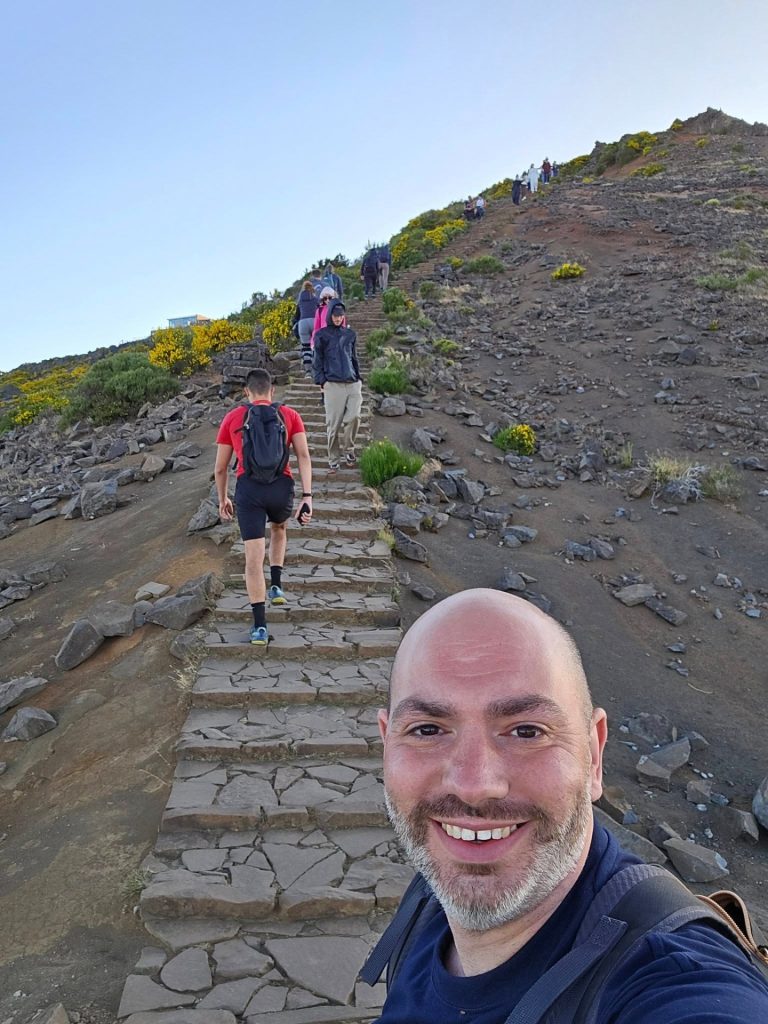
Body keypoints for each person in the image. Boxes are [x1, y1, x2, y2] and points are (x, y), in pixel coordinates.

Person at [370, 589, 768, 1022]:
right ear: (387, 742)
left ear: (594, 756)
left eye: (526, 731)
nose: (473, 786)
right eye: (427, 729)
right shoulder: (431, 893)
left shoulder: (674, 980)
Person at [214, 368, 312, 646]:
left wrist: (223, 499)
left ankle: (259, 627)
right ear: (272, 391)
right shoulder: (290, 415)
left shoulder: (234, 417)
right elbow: (303, 455)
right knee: (279, 529)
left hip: (249, 490)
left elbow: (221, 468)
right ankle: (277, 585)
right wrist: (307, 496)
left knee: (253, 558)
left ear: (247, 391)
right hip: (281, 487)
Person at [312, 300, 362, 472]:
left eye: (341, 315)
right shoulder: (321, 335)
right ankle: (334, 459)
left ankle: (349, 450)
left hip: (352, 383)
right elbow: (317, 361)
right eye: (335, 315)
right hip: (332, 384)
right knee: (333, 425)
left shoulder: (350, 334)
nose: (338, 318)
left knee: (354, 417)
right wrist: (322, 381)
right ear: (329, 315)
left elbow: (354, 357)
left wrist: (359, 378)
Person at [294, 281, 319, 377]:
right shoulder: (315, 299)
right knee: (315, 347)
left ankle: (308, 372)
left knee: (306, 348)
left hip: (302, 323)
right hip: (314, 322)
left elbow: (296, 316)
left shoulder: (300, 301)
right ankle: (316, 369)